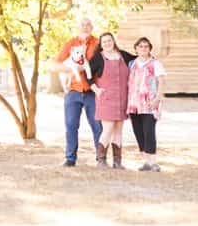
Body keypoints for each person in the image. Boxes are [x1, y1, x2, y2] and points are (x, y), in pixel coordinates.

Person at [55, 17, 101, 167]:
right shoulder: (70, 44)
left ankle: (101, 157)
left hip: (92, 91)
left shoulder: (97, 43)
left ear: (92, 27)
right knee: (70, 125)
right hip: (73, 91)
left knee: (97, 126)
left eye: (88, 25)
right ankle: (70, 158)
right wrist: (73, 70)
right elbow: (56, 65)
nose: (85, 27)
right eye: (82, 25)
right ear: (78, 27)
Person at [89, 32, 135, 169]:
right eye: (104, 42)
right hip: (106, 99)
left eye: (109, 41)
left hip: (122, 98)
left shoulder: (124, 55)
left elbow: (139, 60)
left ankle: (117, 162)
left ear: (113, 41)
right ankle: (101, 160)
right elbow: (87, 74)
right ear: (101, 44)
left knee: (119, 131)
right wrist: (96, 89)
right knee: (107, 129)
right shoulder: (98, 58)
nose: (107, 43)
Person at [127, 36, 167, 172]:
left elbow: (161, 82)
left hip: (149, 103)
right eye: (140, 46)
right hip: (134, 104)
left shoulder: (155, 64)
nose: (143, 48)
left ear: (150, 49)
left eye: (146, 46)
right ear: (136, 49)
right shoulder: (132, 64)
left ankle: (153, 162)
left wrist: (158, 98)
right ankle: (146, 162)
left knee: (149, 132)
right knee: (138, 132)